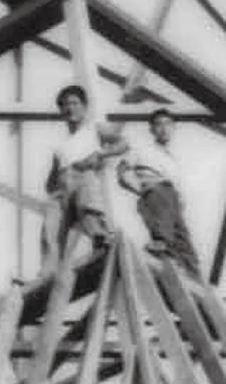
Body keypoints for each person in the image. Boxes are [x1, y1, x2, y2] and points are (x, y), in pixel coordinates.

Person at [42, 85, 125, 273]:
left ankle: (100, 237)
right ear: (61, 110)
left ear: (84, 107)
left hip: (84, 175)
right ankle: (47, 271)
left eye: (75, 103)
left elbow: (123, 143)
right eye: (65, 104)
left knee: (88, 208)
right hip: (62, 186)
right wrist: (55, 187)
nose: (70, 108)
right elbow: (51, 180)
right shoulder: (60, 146)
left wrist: (101, 154)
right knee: (50, 231)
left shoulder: (94, 129)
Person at [117, 109, 203, 277]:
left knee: (184, 245)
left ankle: (195, 279)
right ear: (151, 129)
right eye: (158, 124)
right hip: (156, 194)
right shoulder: (142, 150)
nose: (163, 129)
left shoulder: (172, 159)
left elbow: (177, 189)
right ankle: (158, 250)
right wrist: (141, 189)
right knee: (164, 242)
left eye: (167, 124)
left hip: (173, 202)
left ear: (173, 127)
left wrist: (179, 204)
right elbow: (121, 172)